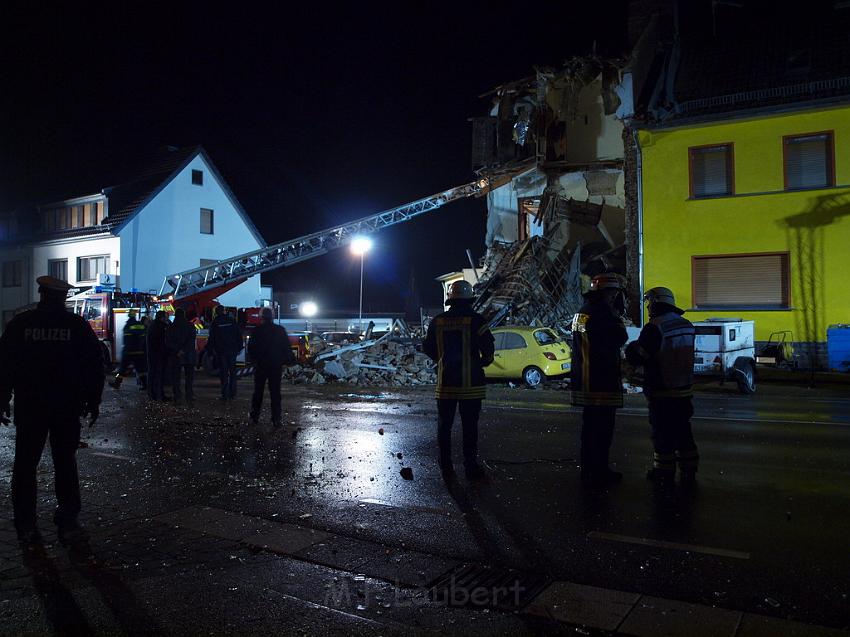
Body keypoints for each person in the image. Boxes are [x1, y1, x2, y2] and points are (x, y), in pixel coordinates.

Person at [0, 276, 104, 544]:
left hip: (30, 406)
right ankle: (67, 517)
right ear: (62, 298)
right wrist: (93, 401)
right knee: (65, 462)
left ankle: (25, 522)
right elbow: (94, 365)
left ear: (41, 294)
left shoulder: (21, 324)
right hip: (66, 406)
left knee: (25, 464)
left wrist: (2, 400)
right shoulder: (76, 325)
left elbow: (4, 366)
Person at [625, 287, 698, 486]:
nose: (648, 307)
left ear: (657, 302)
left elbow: (638, 354)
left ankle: (664, 473)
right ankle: (689, 470)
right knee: (684, 431)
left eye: (649, 302)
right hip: (684, 388)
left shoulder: (655, 327)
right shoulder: (686, 324)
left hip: (663, 390)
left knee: (663, 433)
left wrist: (629, 348)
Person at [423, 280, 495, 481]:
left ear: (451, 299)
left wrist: (442, 360)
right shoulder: (476, 320)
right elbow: (489, 349)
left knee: (444, 427)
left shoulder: (437, 321)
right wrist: (482, 363)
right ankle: (470, 467)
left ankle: (445, 467)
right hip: (471, 385)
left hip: (445, 384)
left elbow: (428, 348)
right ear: (470, 299)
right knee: (469, 427)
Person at [570, 273, 629, 488]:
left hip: (584, 379)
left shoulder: (581, 312)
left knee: (589, 429)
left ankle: (588, 470)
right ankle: (600, 471)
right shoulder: (604, 313)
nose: (614, 297)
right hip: (602, 378)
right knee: (603, 429)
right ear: (606, 292)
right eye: (613, 292)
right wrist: (618, 319)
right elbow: (620, 338)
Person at [248, 307, 295, 426]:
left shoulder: (257, 330)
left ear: (261, 316)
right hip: (275, 366)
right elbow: (286, 348)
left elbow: (251, 348)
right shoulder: (279, 330)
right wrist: (285, 361)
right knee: (275, 393)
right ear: (272, 317)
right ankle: (276, 418)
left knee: (258, 392)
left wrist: (254, 361)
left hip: (261, 365)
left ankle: (254, 416)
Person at [207, 306, 242, 400]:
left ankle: (225, 395)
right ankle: (232, 393)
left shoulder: (215, 323)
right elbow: (238, 334)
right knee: (233, 372)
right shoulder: (231, 320)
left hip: (221, 351)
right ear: (224, 311)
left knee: (224, 373)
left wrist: (210, 352)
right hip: (232, 350)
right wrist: (239, 348)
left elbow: (212, 339)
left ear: (216, 312)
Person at [109, 309, 147, 390]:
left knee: (121, 369)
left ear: (129, 315)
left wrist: (125, 351)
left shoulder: (128, 325)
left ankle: (117, 383)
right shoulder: (140, 325)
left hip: (129, 352)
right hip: (139, 351)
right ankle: (145, 385)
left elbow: (127, 340)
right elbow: (143, 338)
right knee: (141, 370)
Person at [165, 308, 196, 405]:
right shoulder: (190, 326)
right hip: (188, 355)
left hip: (175, 355)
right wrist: (184, 350)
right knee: (189, 377)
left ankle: (177, 395)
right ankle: (189, 395)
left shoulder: (171, 327)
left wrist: (177, 350)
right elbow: (191, 340)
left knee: (176, 377)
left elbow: (168, 341)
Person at [146, 310, 170, 401]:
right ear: (162, 317)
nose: (167, 318)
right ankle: (159, 395)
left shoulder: (152, 325)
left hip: (153, 354)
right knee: (159, 376)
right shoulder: (161, 327)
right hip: (159, 355)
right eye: (165, 317)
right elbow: (163, 342)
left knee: (152, 374)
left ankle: (152, 394)